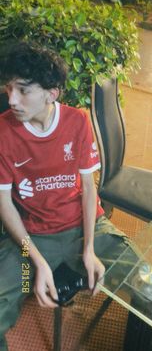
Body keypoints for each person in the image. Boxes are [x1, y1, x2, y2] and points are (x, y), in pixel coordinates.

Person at [0, 42, 138, 351]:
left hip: (86, 229)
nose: (11, 100)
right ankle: (41, 274)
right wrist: (37, 263)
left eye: (23, 90)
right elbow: (4, 206)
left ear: (52, 93)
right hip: (30, 243)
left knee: (146, 282)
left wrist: (89, 249)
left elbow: (89, 190)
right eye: (8, 89)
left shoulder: (76, 121)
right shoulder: (3, 132)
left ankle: (82, 269)